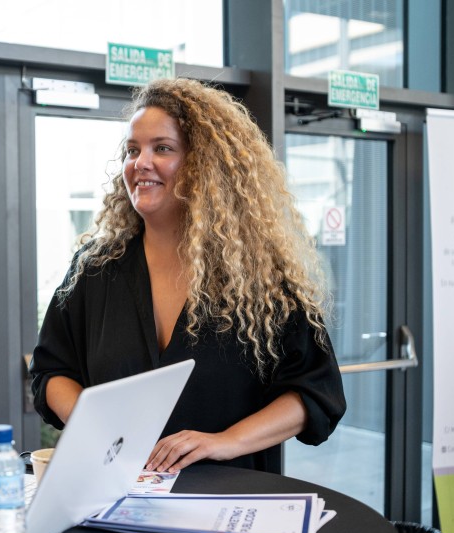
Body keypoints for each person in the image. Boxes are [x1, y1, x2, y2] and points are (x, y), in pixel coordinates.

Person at [30, 78, 346, 474]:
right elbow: (52, 371)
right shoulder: (94, 269)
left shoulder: (260, 278)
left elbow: (314, 394)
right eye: (132, 150)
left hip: (229, 502)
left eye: (161, 148)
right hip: (114, 496)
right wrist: (100, 427)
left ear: (203, 165)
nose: (140, 163)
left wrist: (225, 442)